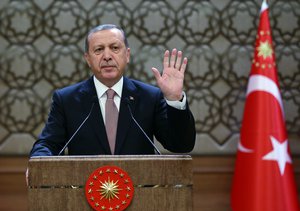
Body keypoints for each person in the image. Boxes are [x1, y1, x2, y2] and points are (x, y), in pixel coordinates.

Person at [29, 24, 196, 157]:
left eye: (114, 48)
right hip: (84, 196)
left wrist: (174, 99)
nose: (107, 56)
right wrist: (37, 163)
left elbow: (181, 145)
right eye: (99, 49)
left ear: (127, 55)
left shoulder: (149, 97)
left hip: (141, 196)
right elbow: (48, 144)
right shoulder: (67, 100)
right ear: (88, 58)